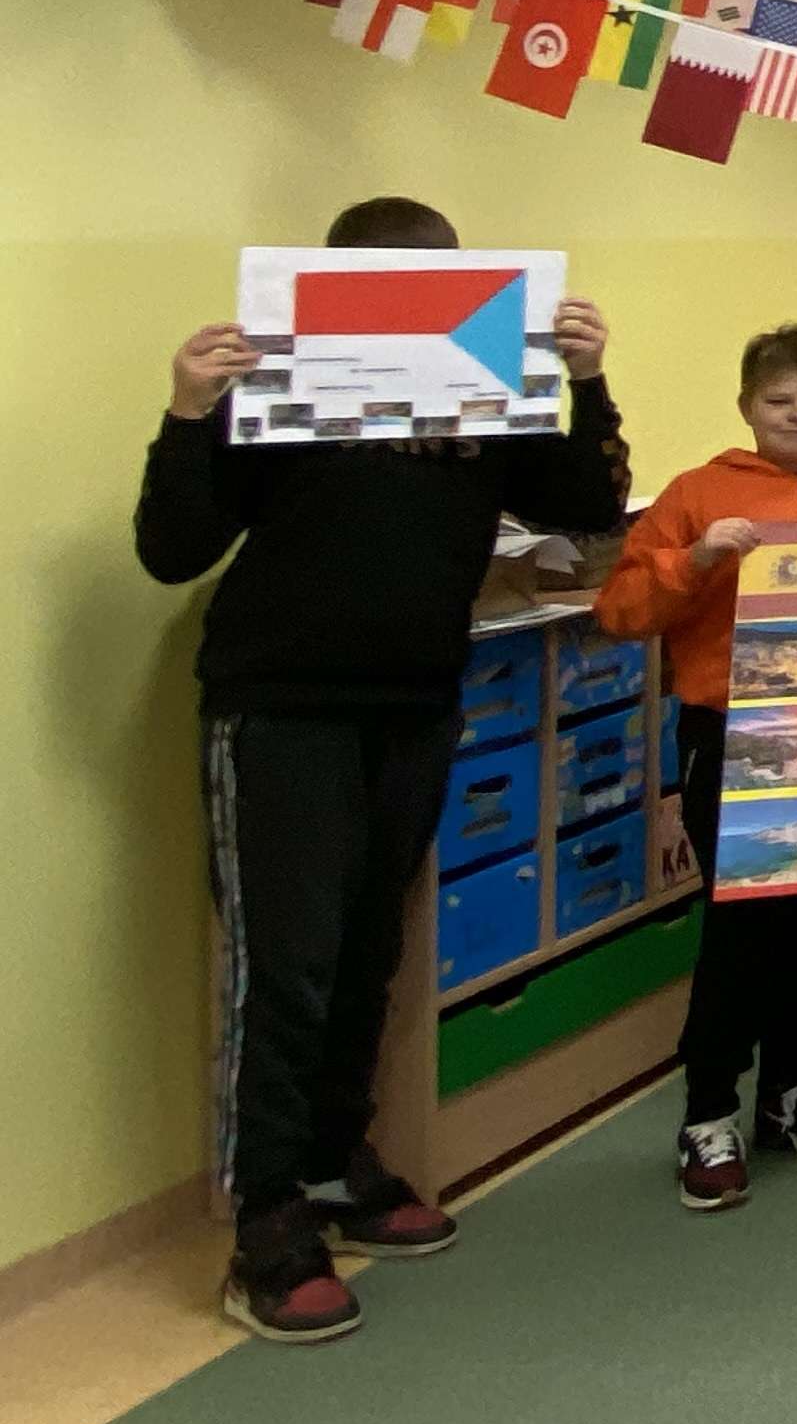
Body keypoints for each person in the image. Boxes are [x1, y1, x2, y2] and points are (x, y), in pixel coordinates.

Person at [137, 196, 629, 1344]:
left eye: (432, 278)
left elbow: (585, 505)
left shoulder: (483, 377)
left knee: (367, 951)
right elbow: (172, 548)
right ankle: (265, 1218)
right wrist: (188, 409)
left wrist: (587, 378)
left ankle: (329, 1158)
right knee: (286, 967)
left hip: (413, 701)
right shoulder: (273, 379)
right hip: (281, 709)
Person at [593, 324, 797, 1211]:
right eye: (778, 401)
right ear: (747, 406)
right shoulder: (698, 492)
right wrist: (698, 556)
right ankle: (708, 1110)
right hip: (732, 732)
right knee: (745, 926)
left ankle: (789, 1086)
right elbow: (621, 610)